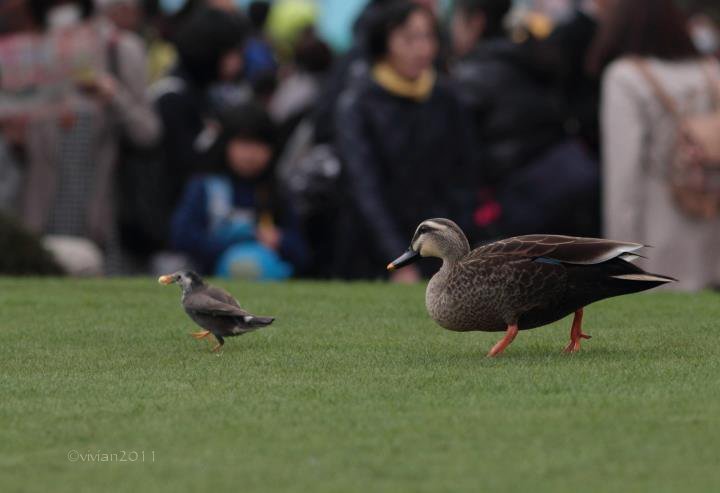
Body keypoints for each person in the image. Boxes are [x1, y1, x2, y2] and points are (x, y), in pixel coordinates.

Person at [15, 0, 159, 275]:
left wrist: (113, 95)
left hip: (106, 219)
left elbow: (148, 132)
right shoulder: (30, 53)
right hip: (41, 216)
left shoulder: (120, 50)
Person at [334, 0, 475, 282]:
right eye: (409, 38)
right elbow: (364, 187)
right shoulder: (359, 102)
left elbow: (465, 172)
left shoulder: (446, 97)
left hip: (438, 247)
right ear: (385, 42)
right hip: (372, 250)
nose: (421, 49)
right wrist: (398, 258)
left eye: (427, 37)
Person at [589, 0, 720, 290]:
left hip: (659, 241)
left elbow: (624, 176)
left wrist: (619, 259)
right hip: (711, 234)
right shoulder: (711, 71)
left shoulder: (625, 76)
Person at [451, 0, 598, 238]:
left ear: (475, 22)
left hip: (516, 207)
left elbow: (463, 160)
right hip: (565, 189)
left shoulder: (471, 76)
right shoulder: (530, 56)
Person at [170, 103, 308, 280]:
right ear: (226, 144)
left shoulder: (276, 191)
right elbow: (181, 237)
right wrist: (239, 238)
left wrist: (280, 241)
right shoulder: (205, 186)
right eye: (243, 143)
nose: (251, 154)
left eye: (259, 145)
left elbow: (303, 254)